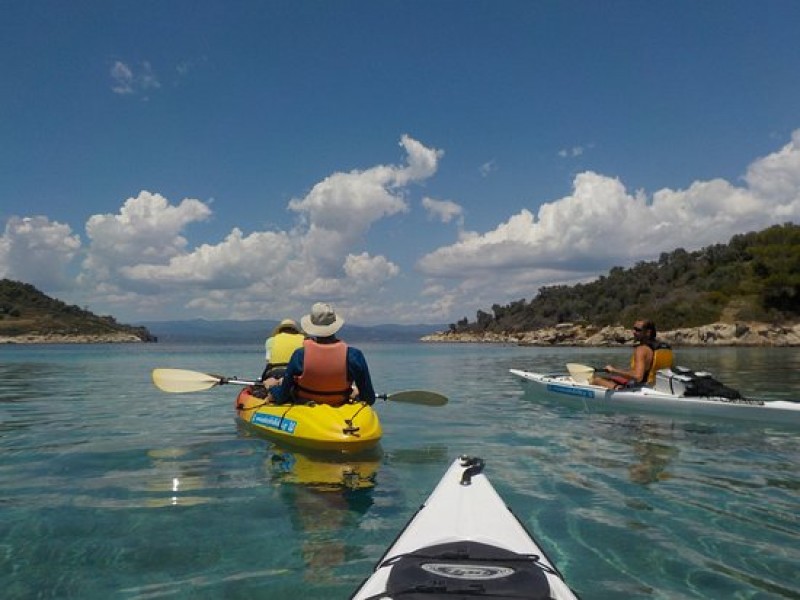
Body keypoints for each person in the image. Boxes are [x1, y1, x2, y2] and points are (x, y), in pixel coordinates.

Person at [267, 302, 376, 406]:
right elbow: (369, 399)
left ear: (312, 326)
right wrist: (355, 394)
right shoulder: (354, 355)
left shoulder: (299, 355)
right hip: (340, 403)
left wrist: (271, 388)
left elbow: (282, 397)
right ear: (335, 325)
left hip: (306, 403)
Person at [591, 319, 673, 389]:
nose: (634, 332)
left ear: (648, 332)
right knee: (612, 378)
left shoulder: (641, 350)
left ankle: (617, 390)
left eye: (638, 330)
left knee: (596, 380)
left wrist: (614, 370)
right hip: (657, 387)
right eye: (634, 329)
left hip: (641, 387)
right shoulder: (664, 347)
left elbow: (638, 377)